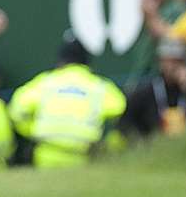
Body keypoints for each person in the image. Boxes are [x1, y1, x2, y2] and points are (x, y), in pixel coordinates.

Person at [8, 40, 126, 168]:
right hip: (85, 158)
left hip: (46, 155)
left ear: (60, 62)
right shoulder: (100, 87)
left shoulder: (45, 82)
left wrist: (32, 130)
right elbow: (125, 113)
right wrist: (112, 144)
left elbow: (16, 110)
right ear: (87, 64)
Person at [121, 40, 186, 140]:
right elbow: (126, 122)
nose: (175, 66)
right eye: (171, 61)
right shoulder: (146, 91)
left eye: (179, 61)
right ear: (161, 62)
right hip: (154, 147)